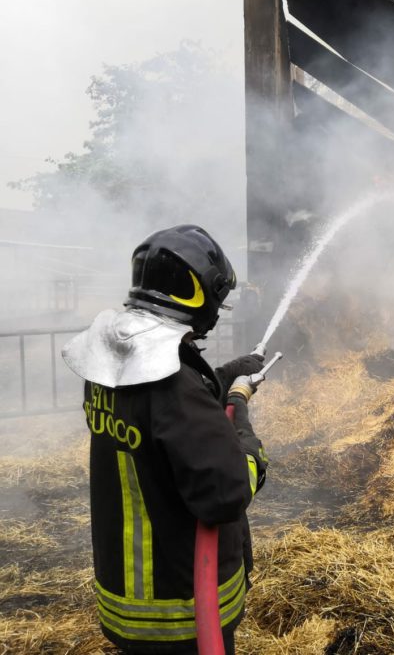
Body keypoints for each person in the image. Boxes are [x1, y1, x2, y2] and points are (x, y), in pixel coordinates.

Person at [62, 225, 268, 654]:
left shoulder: (111, 364)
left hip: (126, 595)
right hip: (182, 608)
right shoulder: (174, 388)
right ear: (200, 295)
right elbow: (226, 492)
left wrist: (228, 373)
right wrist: (244, 427)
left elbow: (162, 415)